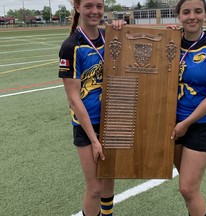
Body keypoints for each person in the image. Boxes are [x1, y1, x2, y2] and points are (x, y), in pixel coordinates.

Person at [58, 0, 125, 215]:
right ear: (77, 7)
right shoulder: (71, 46)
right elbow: (73, 99)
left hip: (112, 120)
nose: (94, 11)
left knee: (108, 181)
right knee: (95, 188)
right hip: (87, 125)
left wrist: (174, 32)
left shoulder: (111, 37)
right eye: (88, 6)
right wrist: (95, 140)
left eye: (99, 6)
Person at [168, 0, 206, 215]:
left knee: (187, 188)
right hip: (171, 123)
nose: (191, 16)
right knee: (189, 190)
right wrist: (118, 25)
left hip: (200, 124)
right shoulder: (170, 42)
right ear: (179, 17)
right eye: (186, 12)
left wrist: (185, 123)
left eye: (197, 11)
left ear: (205, 15)